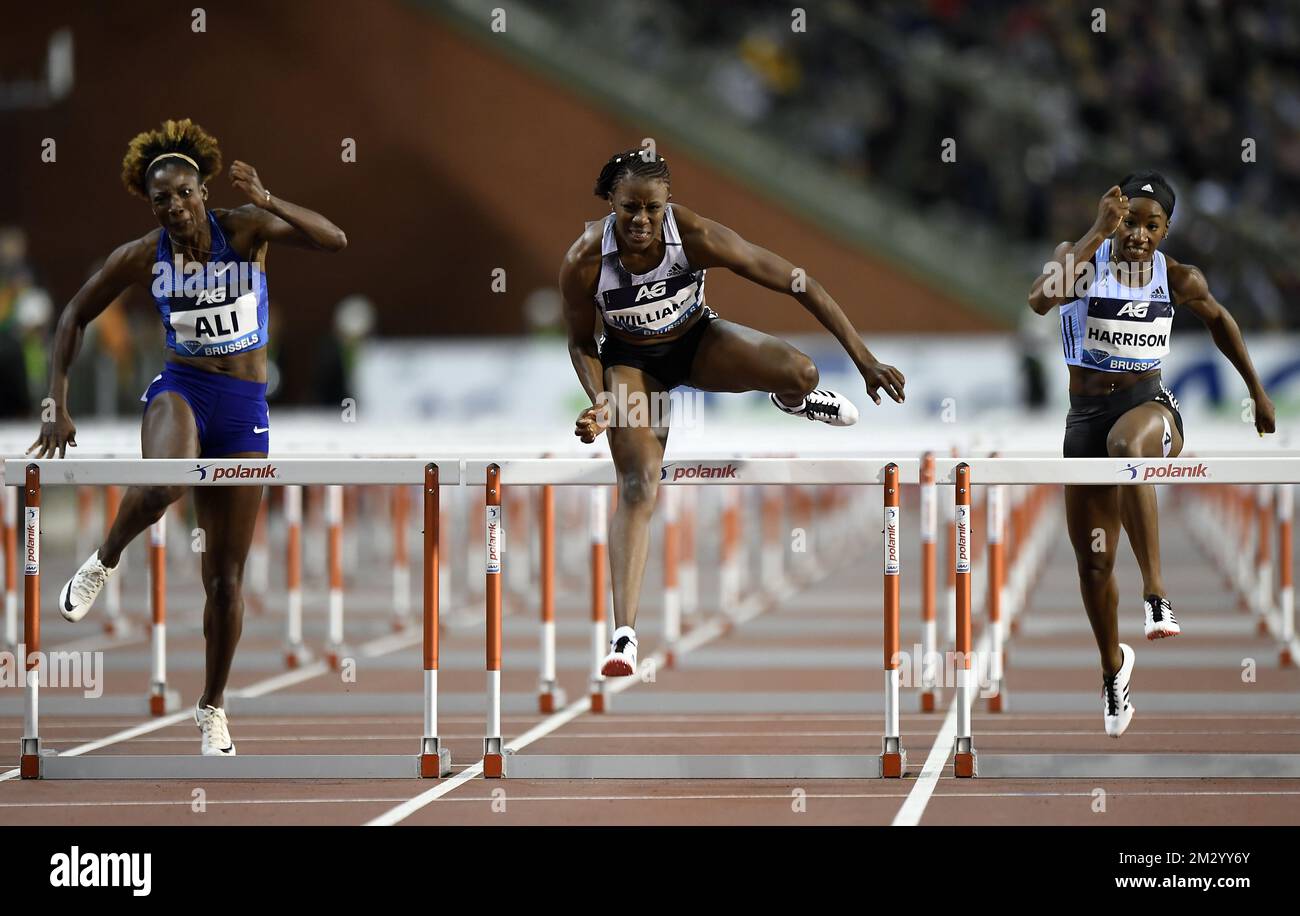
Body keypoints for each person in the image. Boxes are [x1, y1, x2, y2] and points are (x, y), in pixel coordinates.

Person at [27, 119, 346, 755]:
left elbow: (334, 239)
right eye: (160, 200)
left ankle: (211, 707)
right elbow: (74, 314)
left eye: (182, 194)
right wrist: (54, 405)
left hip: (244, 406)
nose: (173, 207)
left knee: (225, 579)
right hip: (183, 389)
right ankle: (105, 558)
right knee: (166, 482)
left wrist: (268, 197)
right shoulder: (145, 254)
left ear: (202, 192)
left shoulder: (247, 228)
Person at [561, 148, 905, 677]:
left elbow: (798, 281)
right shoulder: (586, 259)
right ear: (612, 202)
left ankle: (792, 400)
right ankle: (624, 636)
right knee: (637, 483)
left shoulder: (694, 236)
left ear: (667, 203)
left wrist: (865, 360)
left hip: (697, 343)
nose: (641, 221)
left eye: (652, 208)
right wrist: (602, 398)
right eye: (629, 208)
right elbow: (582, 342)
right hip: (631, 364)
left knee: (803, 372)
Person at [1028, 171, 1275, 737]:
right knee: (1092, 563)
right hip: (1084, 422)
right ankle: (1113, 668)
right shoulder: (1082, 259)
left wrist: (1256, 393)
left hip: (1151, 411)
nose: (1137, 234)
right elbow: (1040, 301)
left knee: (1128, 446)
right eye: (1129, 221)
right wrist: (1096, 231)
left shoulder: (1178, 277)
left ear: (1166, 230)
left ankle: (1157, 593)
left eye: (1150, 225)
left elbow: (1221, 322)